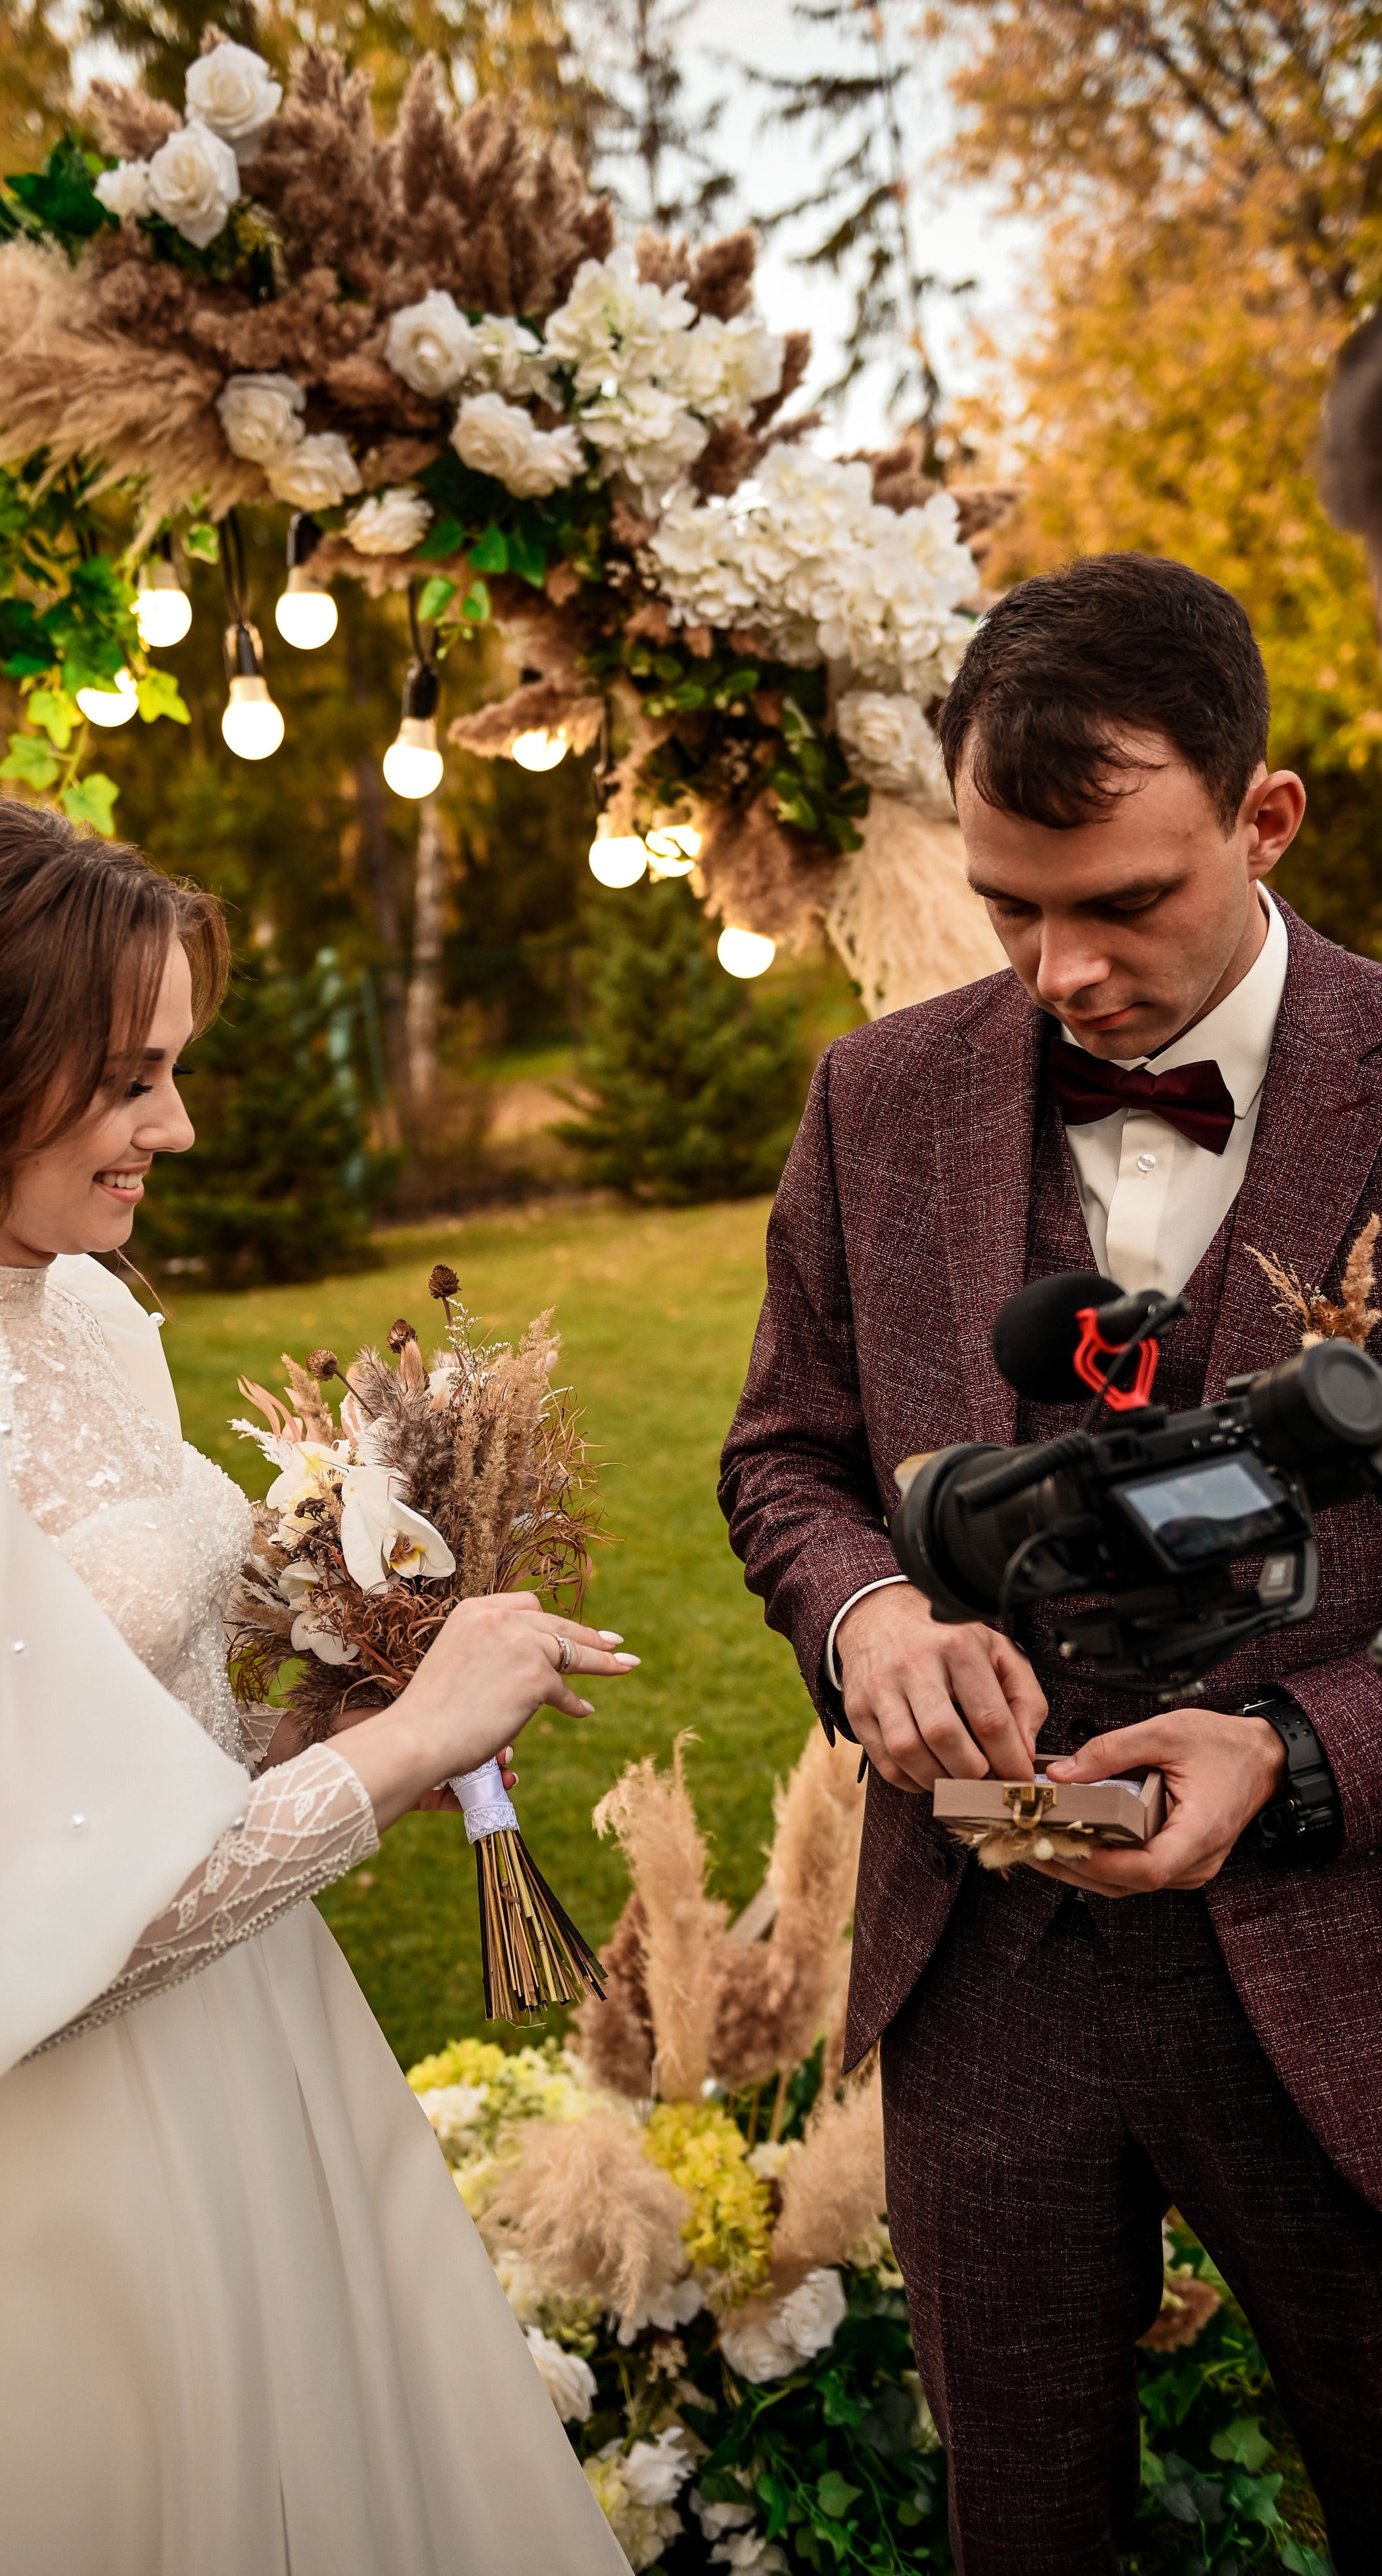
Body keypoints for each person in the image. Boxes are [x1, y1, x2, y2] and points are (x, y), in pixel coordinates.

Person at [0, 795, 636, 2576]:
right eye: (131, 1079)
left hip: (272, 2057)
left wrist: (351, 1714)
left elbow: (168, 1771)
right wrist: (407, 1752)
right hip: (79, 2180)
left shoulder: (91, 1320)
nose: (176, 1127)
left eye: (173, 1071)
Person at [720, 554, 1382, 2573]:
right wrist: (875, 1614)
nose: (1057, 970)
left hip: (1343, 1967)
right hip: (981, 1975)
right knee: (1020, 2528)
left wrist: (1300, 1745)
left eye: (1122, 904)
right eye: (1011, 905)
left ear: (1263, 820)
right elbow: (787, 1459)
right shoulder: (874, 1097)